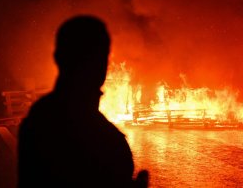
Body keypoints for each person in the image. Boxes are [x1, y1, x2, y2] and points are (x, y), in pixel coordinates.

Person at [18, 16, 148, 187]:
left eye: (101, 57)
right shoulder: (103, 138)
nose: (99, 66)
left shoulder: (38, 119)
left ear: (58, 57)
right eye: (92, 57)